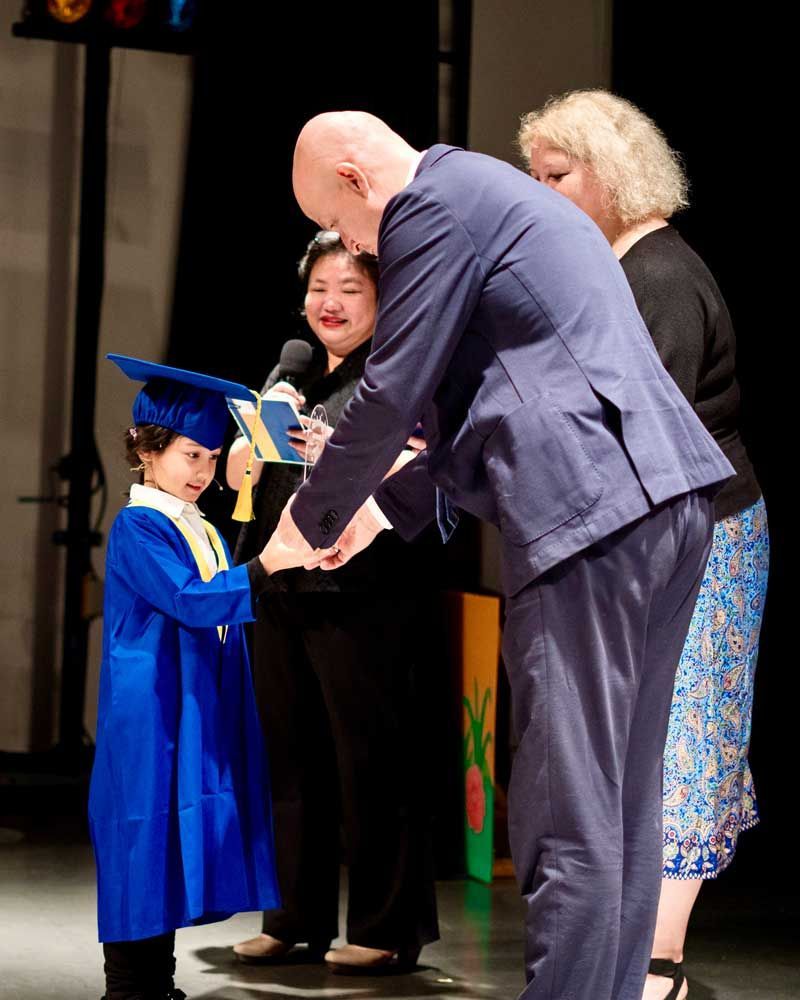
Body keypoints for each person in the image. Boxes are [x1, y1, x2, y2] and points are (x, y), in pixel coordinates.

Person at [265, 111, 735, 1000]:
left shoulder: (429, 208)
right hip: (666, 500)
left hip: (590, 510)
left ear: (359, 184)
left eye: (349, 229)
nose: (362, 251)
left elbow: (396, 382)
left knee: (567, 810)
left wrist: (309, 519)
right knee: (624, 803)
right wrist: (373, 514)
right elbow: (490, 388)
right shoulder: (497, 197)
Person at [517, 89, 769, 1000]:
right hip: (673, 530)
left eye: (557, 176)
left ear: (615, 175)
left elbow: (644, 425)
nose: (540, 195)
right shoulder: (623, 267)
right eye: (533, 177)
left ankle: (657, 959)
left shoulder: (656, 274)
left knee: (688, 733)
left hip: (704, 531)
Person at [226, 232, 438, 973]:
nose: (330, 303)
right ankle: (292, 917)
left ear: (383, 300)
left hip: (363, 593)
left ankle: (385, 928)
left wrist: (333, 452)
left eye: (349, 289)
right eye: (320, 288)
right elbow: (249, 484)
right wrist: (249, 446)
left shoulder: (396, 379)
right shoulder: (296, 377)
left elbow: (425, 472)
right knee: (288, 757)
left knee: (369, 759)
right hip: (282, 585)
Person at [89, 355, 309, 1000]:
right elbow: (191, 599)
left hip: (185, 704)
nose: (205, 472)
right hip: (150, 710)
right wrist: (269, 566)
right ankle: (129, 988)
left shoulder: (199, 524)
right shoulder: (139, 525)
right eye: (192, 456)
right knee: (140, 840)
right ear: (146, 451)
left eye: (213, 458)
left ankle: (156, 984)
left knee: (162, 844)